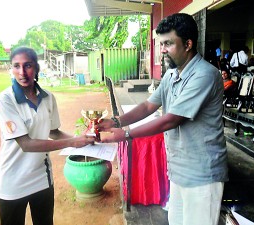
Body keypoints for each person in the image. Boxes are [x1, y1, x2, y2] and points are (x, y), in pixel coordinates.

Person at [97, 13, 228, 225]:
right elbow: (149, 105)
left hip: (202, 174)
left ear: (188, 44)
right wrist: (116, 122)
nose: (163, 49)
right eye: (161, 44)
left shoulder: (205, 74)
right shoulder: (172, 74)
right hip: (178, 170)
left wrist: (127, 134)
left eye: (168, 43)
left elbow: (171, 119)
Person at [0, 46, 95, 225]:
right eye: (16, 66)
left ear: (37, 68)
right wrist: (73, 142)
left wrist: (83, 140)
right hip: (12, 179)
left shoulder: (48, 98)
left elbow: (53, 132)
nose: (22, 72)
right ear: (11, 69)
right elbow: (26, 144)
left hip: (42, 178)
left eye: (28, 65)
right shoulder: (5, 100)